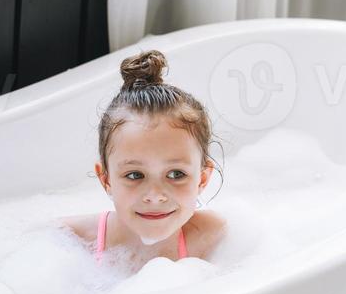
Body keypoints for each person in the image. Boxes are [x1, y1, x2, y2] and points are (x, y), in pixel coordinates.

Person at [59, 48, 226, 268]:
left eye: (176, 174)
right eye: (135, 175)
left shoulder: (215, 236)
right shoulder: (71, 241)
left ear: (202, 179)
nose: (155, 196)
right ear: (106, 179)